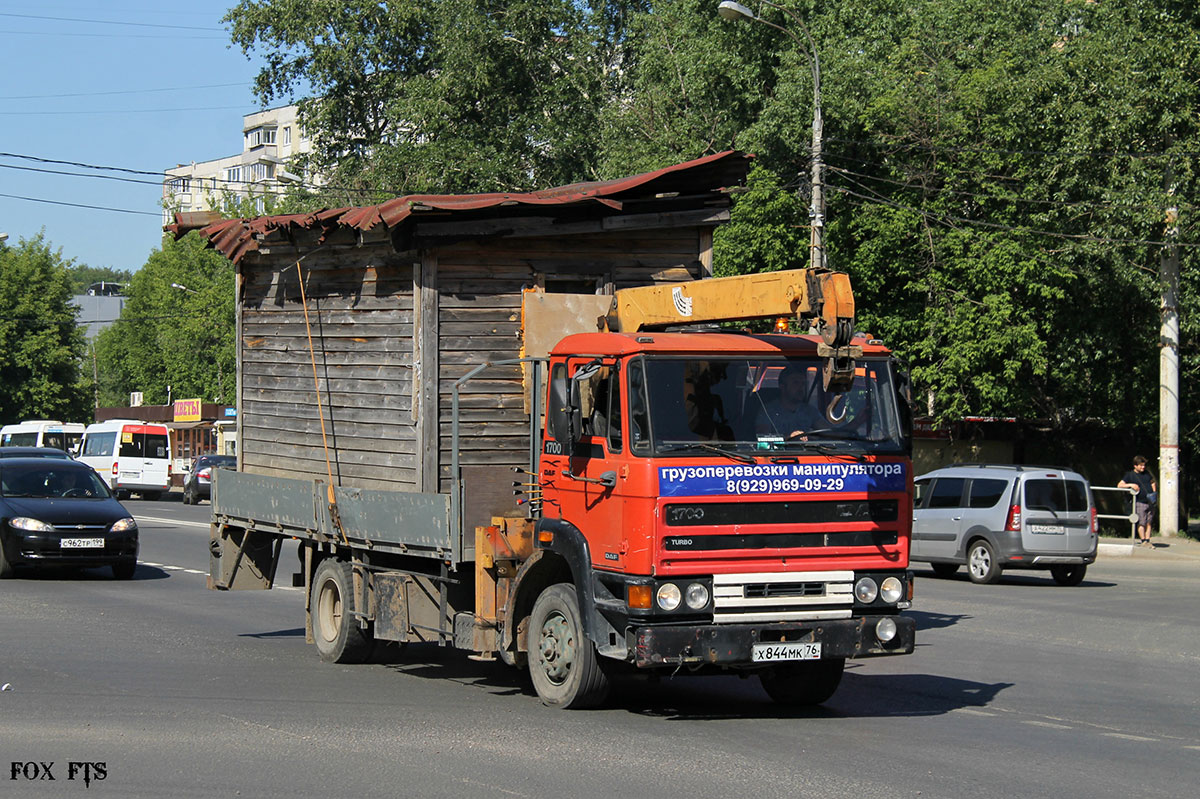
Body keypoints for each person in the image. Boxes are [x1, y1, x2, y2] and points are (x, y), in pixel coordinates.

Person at [756, 365, 824, 440]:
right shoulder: (768, 411)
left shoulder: (810, 411)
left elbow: (828, 432)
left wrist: (811, 437)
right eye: (795, 383)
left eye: (803, 384)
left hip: (808, 451)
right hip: (779, 451)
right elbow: (763, 439)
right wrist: (789, 438)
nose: (800, 388)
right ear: (782, 386)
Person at [1118, 455, 1157, 547]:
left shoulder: (1147, 473)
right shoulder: (1130, 475)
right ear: (1135, 466)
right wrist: (1131, 485)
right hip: (1139, 501)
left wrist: (1154, 492)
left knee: (1149, 521)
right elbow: (1120, 485)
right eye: (1141, 465)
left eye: (1144, 465)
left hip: (1150, 501)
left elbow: (1152, 482)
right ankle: (1143, 540)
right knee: (1141, 521)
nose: (1143, 467)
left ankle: (1148, 540)